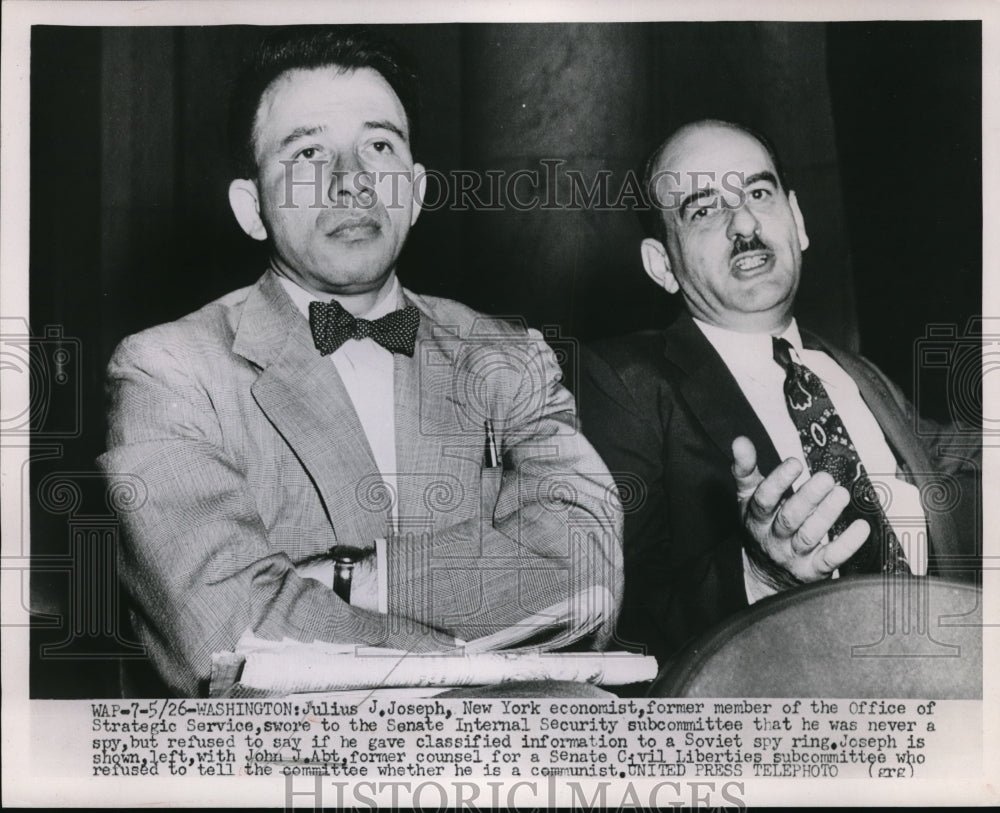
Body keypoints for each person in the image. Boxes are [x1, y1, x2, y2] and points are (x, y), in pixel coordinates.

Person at [98, 27, 622, 697]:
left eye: (379, 146)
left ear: (417, 188)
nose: (352, 182)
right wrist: (488, 643)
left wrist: (351, 579)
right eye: (309, 152)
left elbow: (586, 574)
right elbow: (228, 635)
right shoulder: (169, 370)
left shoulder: (508, 356)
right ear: (251, 207)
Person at [579, 119, 976, 665]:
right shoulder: (619, 381)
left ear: (798, 221)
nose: (744, 221)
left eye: (759, 193)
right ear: (662, 265)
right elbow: (606, 614)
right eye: (703, 209)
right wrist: (758, 576)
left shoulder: (858, 376)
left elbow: (960, 452)